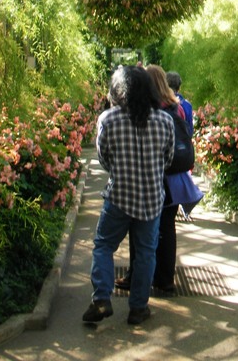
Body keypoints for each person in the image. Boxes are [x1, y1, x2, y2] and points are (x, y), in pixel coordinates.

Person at [82, 65, 174, 326]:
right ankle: (138, 309)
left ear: (118, 90)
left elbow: (104, 158)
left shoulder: (108, 119)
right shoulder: (165, 121)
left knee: (103, 246)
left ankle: (101, 299)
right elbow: (168, 159)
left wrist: (121, 170)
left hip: (119, 197)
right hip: (152, 199)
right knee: (146, 253)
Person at [116, 64, 203, 294]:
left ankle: (137, 275)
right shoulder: (178, 107)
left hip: (153, 177)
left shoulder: (150, 109)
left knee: (140, 226)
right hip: (175, 178)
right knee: (167, 227)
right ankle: (165, 279)